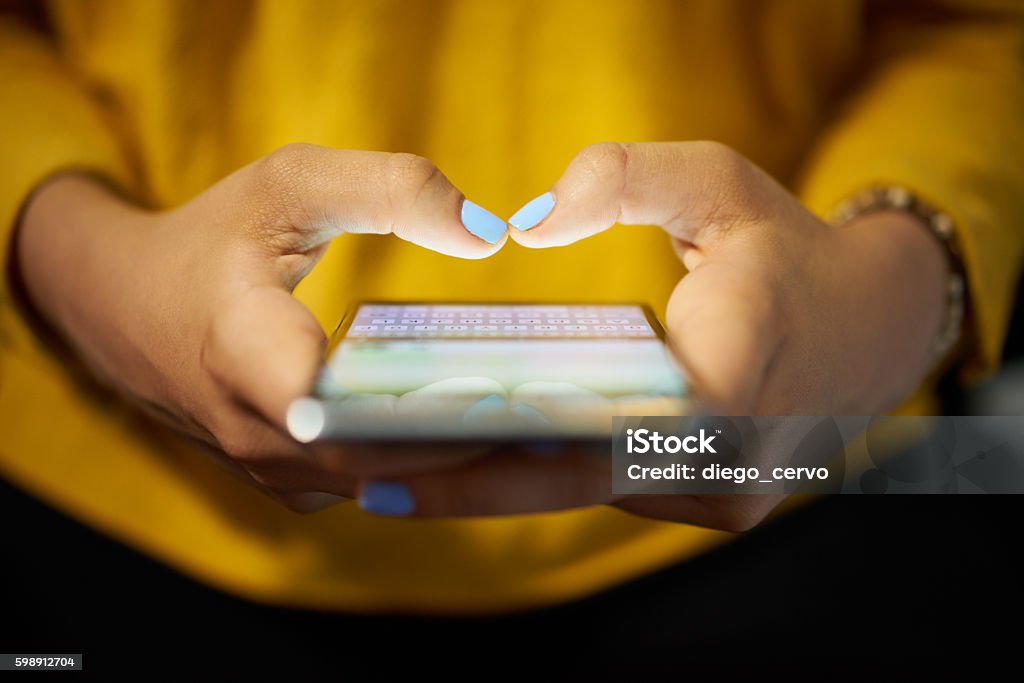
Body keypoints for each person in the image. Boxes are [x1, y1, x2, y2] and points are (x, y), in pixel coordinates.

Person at [2, 0, 1022, 621]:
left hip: (810, 498)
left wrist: (890, 286)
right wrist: (70, 257)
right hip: (115, 519)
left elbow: (977, 27)